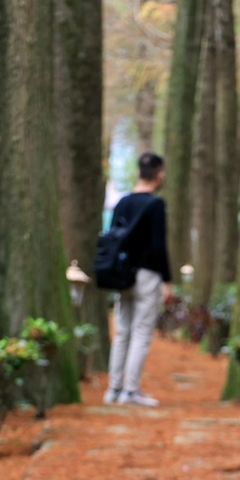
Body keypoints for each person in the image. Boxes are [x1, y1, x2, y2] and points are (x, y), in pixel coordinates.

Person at [103, 152, 174, 407]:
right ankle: (131, 391)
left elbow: (112, 239)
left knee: (122, 332)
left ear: (138, 173)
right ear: (159, 175)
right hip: (147, 275)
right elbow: (158, 246)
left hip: (123, 276)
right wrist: (167, 281)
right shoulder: (155, 205)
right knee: (141, 332)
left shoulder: (122, 203)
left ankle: (114, 389)